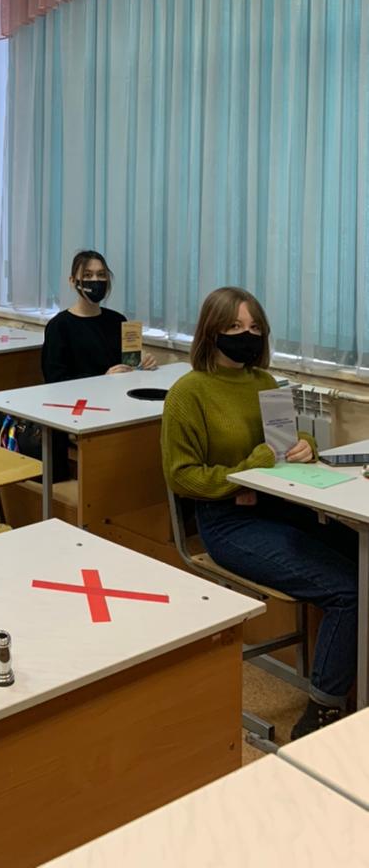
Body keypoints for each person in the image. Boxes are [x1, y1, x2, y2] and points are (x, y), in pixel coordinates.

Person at [161, 286, 358, 739]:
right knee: (348, 590)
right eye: (234, 327)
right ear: (211, 331)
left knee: (366, 560)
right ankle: (322, 710)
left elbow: (281, 449)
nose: (245, 336)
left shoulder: (265, 384)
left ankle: (354, 681)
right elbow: (182, 478)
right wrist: (247, 470)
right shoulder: (189, 393)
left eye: (254, 328)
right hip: (228, 523)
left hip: (280, 508)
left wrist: (304, 447)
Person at [35, 250, 156, 473]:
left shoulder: (117, 320)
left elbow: (128, 367)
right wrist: (104, 378)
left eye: (101, 275)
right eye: (87, 275)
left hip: (119, 403)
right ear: (73, 281)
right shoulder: (60, 326)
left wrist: (143, 364)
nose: (95, 281)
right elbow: (55, 381)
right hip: (82, 408)